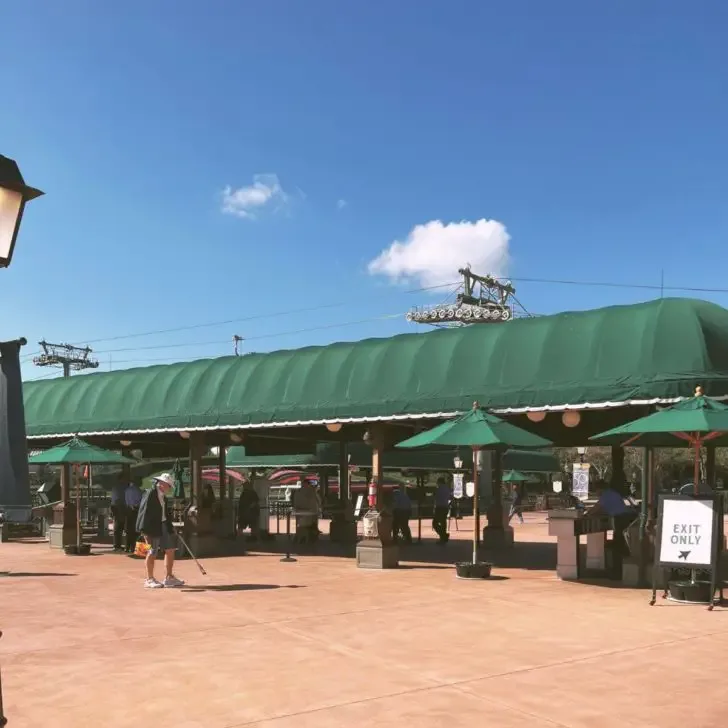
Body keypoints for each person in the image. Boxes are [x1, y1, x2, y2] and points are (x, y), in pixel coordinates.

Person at [136, 473, 184, 589]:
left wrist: (171, 527)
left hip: (162, 525)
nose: (169, 488)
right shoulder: (150, 493)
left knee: (170, 549)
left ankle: (169, 577)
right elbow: (143, 512)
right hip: (150, 527)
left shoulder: (163, 497)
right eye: (168, 486)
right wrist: (143, 530)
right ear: (162, 484)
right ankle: (149, 579)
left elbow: (165, 514)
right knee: (151, 551)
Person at [124, 479, 143, 553]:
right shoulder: (138, 490)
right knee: (136, 530)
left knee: (129, 530)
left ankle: (127, 547)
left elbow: (126, 500)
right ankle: (135, 548)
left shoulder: (127, 490)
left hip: (128, 509)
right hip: (136, 510)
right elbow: (140, 501)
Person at [110, 478, 128, 552]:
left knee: (118, 528)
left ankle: (117, 545)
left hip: (116, 507)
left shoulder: (115, 487)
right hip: (120, 507)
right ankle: (121, 545)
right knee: (122, 527)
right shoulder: (124, 488)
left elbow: (114, 500)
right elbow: (117, 500)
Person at [432, 477, 451, 544]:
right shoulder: (447, 489)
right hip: (445, 507)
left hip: (439, 507)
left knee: (435, 523)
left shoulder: (439, 489)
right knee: (443, 522)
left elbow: (436, 498)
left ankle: (443, 535)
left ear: (439, 482)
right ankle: (443, 536)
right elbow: (449, 498)